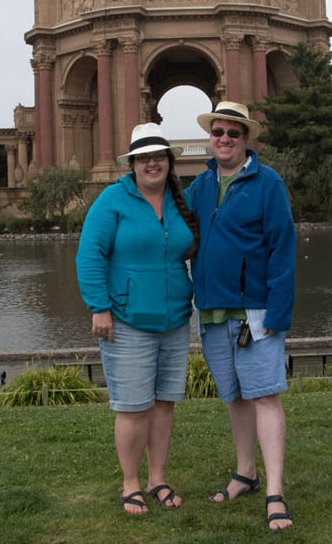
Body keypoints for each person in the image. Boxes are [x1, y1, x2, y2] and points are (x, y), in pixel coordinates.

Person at [75, 122, 199, 516]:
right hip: (127, 320)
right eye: (143, 158)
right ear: (132, 164)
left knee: (164, 404)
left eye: (158, 157)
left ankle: (157, 479)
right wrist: (99, 306)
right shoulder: (113, 201)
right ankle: (130, 483)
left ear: (168, 162)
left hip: (175, 319)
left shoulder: (180, 202)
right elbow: (89, 254)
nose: (151, 164)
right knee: (132, 406)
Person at [186, 100, 296, 531]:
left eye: (233, 132)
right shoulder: (200, 185)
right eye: (218, 132)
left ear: (245, 139)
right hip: (213, 310)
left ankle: (275, 492)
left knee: (265, 396)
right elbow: (173, 216)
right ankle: (245, 474)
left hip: (256, 311)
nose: (225, 139)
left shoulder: (267, 183)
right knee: (234, 398)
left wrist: (279, 310)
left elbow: (283, 249)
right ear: (210, 138)